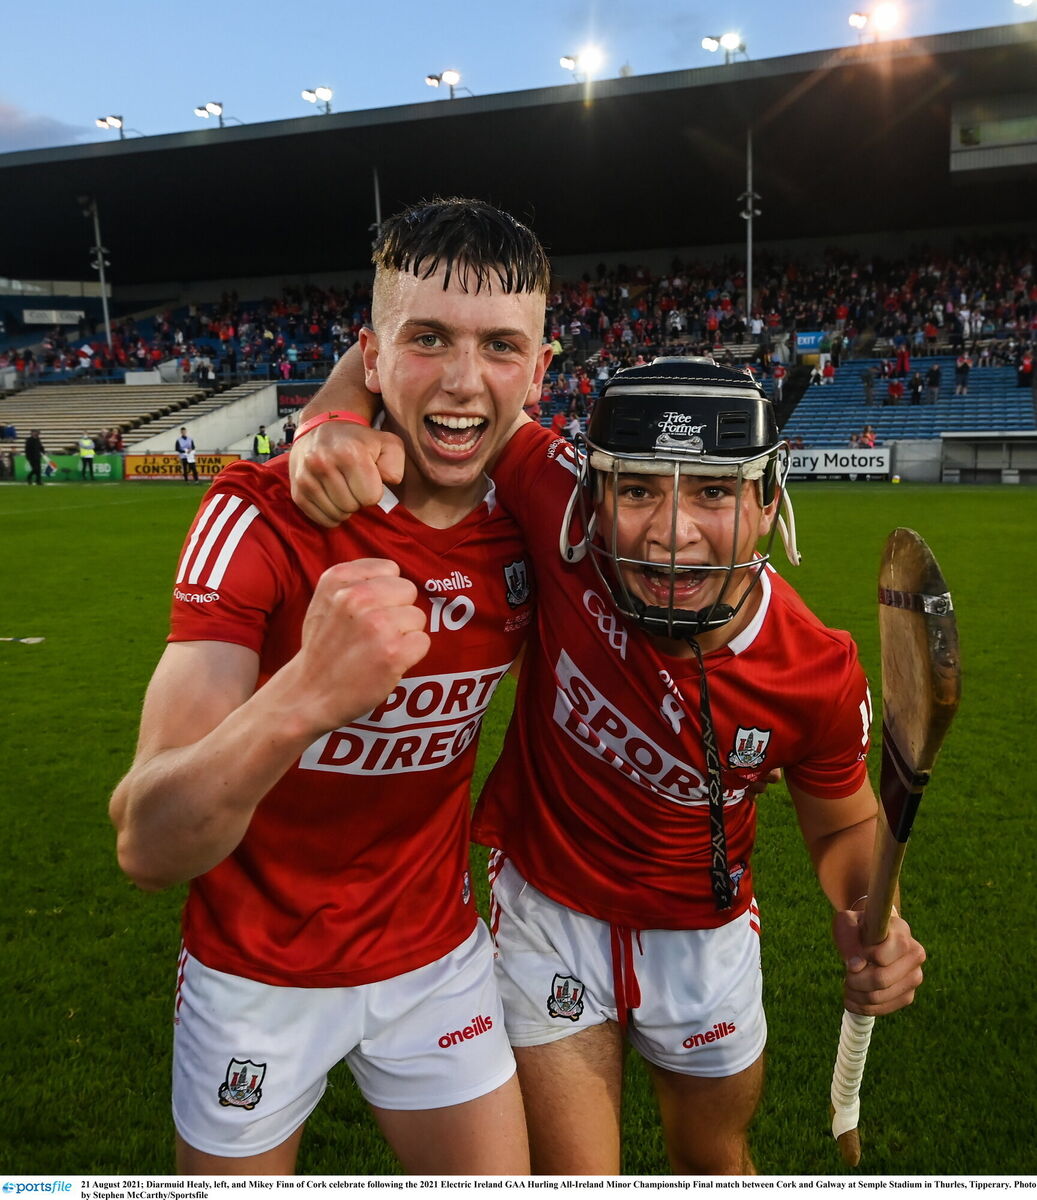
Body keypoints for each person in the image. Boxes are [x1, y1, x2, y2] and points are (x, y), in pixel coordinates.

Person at [289, 355, 926, 1176]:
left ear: (767, 502)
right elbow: (430, 365)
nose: (671, 531)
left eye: (713, 491)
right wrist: (330, 418)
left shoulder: (816, 671)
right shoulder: (553, 497)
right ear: (591, 496)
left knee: (714, 1163)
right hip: (548, 913)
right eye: (636, 491)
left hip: (703, 936)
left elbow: (842, 825)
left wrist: (872, 911)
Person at [108, 198, 554, 1176]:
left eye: (500, 347)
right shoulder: (258, 515)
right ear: (373, 356)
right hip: (252, 971)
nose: (462, 380)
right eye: (426, 339)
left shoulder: (537, 516)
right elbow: (147, 843)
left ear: (539, 371)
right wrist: (306, 692)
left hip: (435, 959)